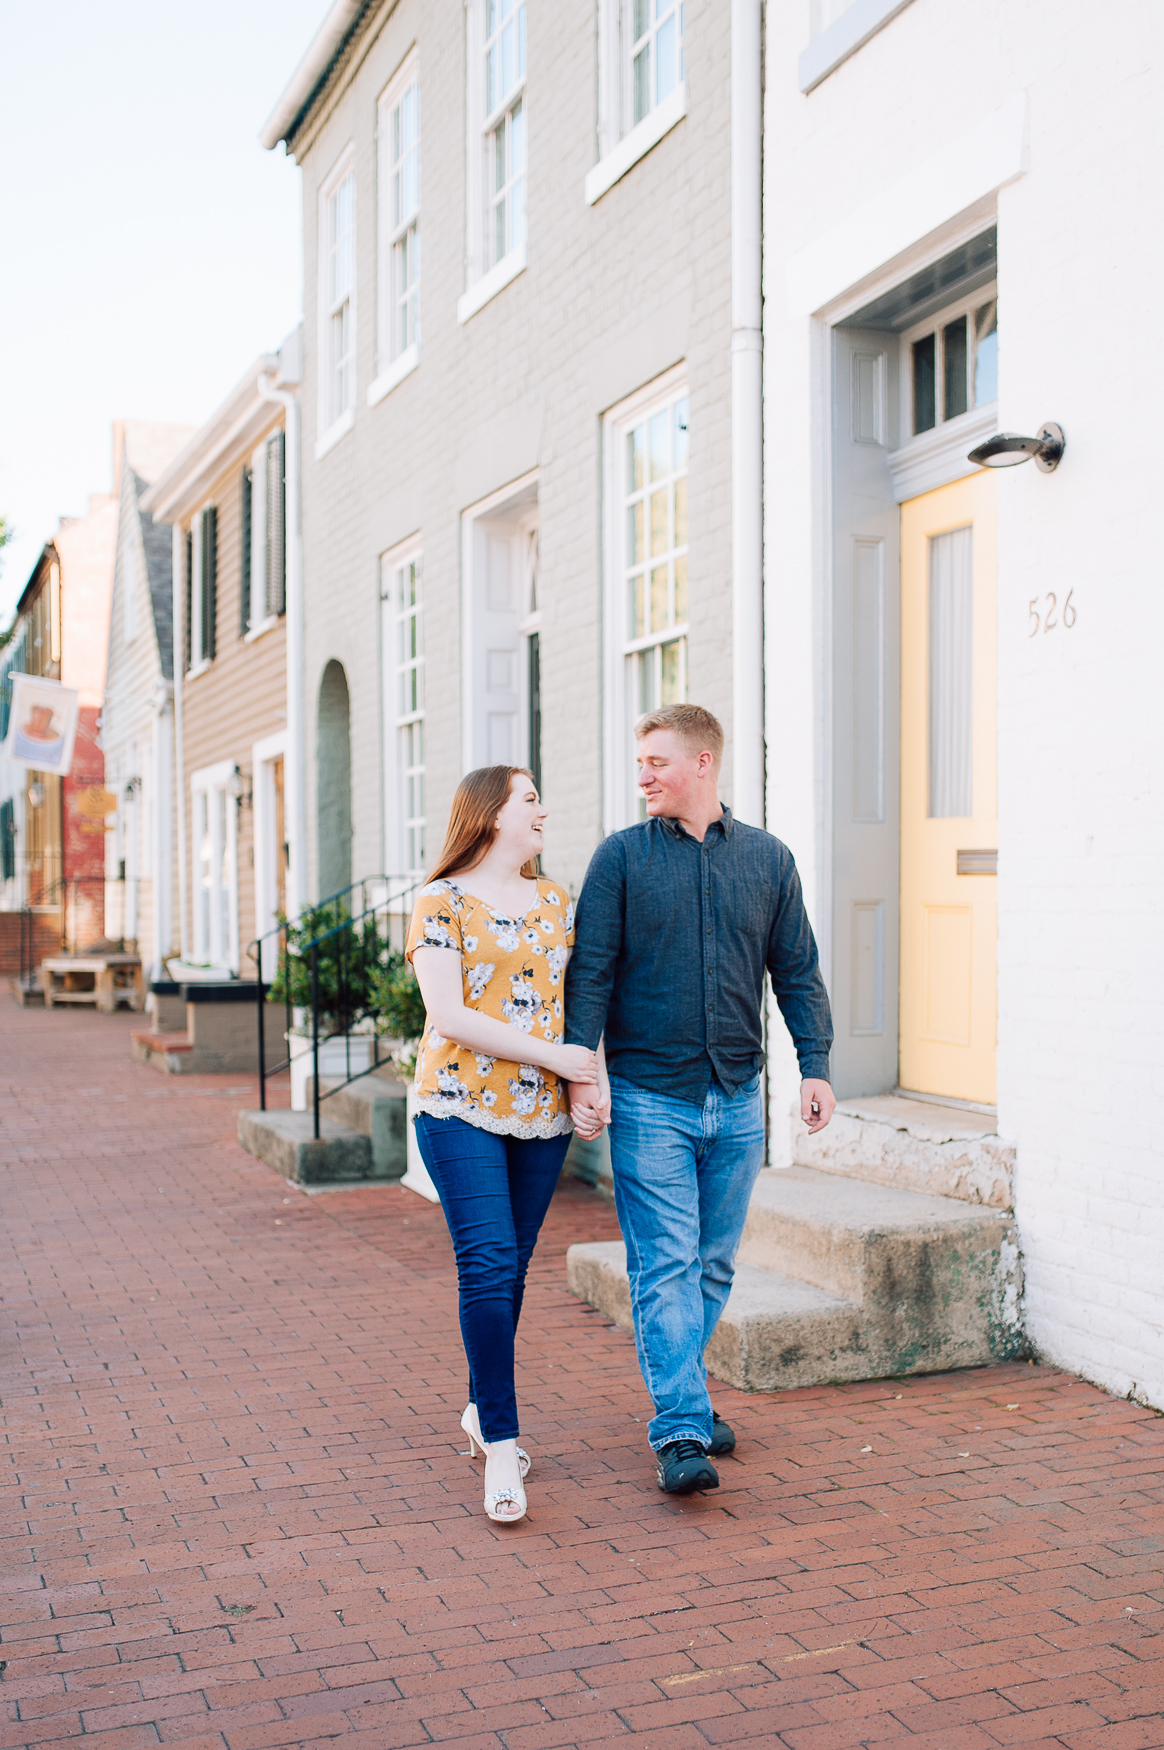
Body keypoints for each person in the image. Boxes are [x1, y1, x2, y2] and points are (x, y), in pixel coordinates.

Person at [564, 703, 835, 1495]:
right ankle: (680, 1426)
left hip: (738, 1097)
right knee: (666, 1265)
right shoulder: (619, 860)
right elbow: (592, 976)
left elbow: (797, 971)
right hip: (651, 1098)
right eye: (639, 761)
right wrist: (587, 1071)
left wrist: (813, 1065)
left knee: (713, 1263)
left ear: (703, 764)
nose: (642, 775)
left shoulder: (768, 860)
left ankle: (685, 1388)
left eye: (656, 761)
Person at [407, 765, 603, 1525]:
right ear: (491, 816)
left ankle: (480, 1406)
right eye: (530, 799)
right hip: (457, 1104)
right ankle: (502, 1446)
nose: (544, 810)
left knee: (511, 1273)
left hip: (539, 1116)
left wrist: (592, 1082)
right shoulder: (441, 901)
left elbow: (576, 1005)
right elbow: (448, 1014)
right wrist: (558, 1060)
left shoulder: (557, 900)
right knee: (486, 1265)